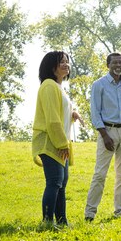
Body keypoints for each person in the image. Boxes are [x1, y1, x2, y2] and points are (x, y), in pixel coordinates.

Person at [84, 52, 121, 221]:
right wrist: (104, 135)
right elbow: (95, 113)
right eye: (115, 62)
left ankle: (120, 211)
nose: (118, 65)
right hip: (107, 131)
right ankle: (90, 213)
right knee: (100, 174)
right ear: (108, 65)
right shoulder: (99, 85)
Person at [32, 51, 84, 226]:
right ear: (51, 66)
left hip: (61, 142)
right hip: (51, 142)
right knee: (54, 182)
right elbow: (52, 118)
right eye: (61, 61)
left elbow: (61, 112)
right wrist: (62, 143)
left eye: (67, 61)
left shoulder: (59, 88)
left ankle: (62, 222)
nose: (66, 64)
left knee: (61, 183)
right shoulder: (48, 85)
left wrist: (73, 113)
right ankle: (47, 221)